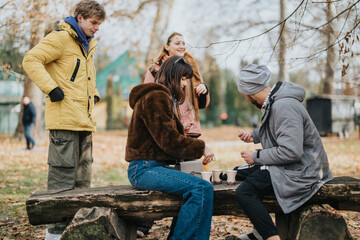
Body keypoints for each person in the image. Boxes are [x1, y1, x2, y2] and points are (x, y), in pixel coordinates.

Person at [22, 1, 106, 239]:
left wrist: (95, 93)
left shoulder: (87, 44)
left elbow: (85, 76)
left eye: (99, 24)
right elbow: (30, 60)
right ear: (79, 17)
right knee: (62, 183)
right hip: (64, 122)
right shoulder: (60, 38)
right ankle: (55, 234)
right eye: (93, 23)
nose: (97, 28)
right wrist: (50, 88)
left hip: (84, 121)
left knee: (82, 183)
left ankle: (75, 232)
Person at [231, 64, 333, 240]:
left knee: (244, 193)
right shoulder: (275, 102)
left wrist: (255, 157)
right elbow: (277, 129)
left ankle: (271, 237)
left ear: (250, 93)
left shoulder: (283, 105)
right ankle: (261, 230)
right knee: (236, 173)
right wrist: (253, 135)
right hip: (291, 167)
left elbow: (291, 152)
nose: (246, 99)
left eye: (244, 96)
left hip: (303, 171)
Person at [126, 56, 216, 240]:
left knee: (197, 188)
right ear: (173, 76)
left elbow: (166, 142)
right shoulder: (156, 97)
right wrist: (202, 146)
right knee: (201, 189)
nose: (184, 85)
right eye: (183, 79)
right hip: (143, 169)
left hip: (152, 167)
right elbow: (169, 142)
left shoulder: (161, 97)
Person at [144, 32, 210, 137]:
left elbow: (202, 104)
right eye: (177, 43)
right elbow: (147, 100)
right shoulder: (155, 70)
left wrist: (203, 90)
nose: (182, 46)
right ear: (167, 47)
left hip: (190, 128)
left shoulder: (192, 69)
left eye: (183, 43)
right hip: (167, 130)